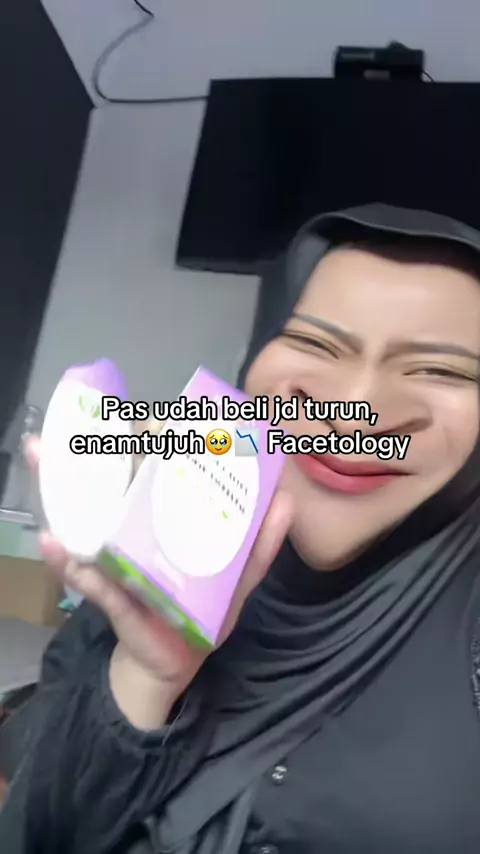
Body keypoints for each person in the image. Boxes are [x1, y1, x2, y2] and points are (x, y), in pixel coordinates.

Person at [2, 202, 480, 854]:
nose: (356, 413)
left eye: (440, 369)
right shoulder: (161, 547)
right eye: (316, 343)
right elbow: (37, 831)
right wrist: (145, 677)